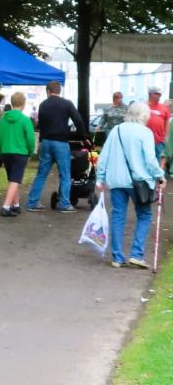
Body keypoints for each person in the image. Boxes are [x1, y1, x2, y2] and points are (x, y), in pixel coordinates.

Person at [96, 102, 165, 268]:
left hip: (116, 181)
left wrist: (100, 178)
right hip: (139, 182)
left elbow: (104, 155)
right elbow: (150, 159)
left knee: (118, 216)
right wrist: (160, 176)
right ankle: (136, 253)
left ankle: (117, 257)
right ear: (143, 116)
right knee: (144, 215)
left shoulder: (116, 130)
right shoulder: (145, 133)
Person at [27, 81, 85, 212]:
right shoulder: (67, 104)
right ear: (60, 91)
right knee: (65, 174)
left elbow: (40, 125)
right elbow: (79, 121)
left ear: (48, 91)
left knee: (41, 174)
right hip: (61, 142)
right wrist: (79, 135)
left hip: (46, 142)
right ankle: (64, 204)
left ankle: (33, 202)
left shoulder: (43, 105)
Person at [0, 92, 36, 217]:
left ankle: (16, 205)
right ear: (23, 104)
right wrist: (30, 151)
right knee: (15, 179)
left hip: (5, 151)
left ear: (12, 103)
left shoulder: (3, 119)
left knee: (12, 179)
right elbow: (30, 139)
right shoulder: (25, 120)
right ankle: (6, 207)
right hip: (20, 152)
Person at [145, 86, 169, 162]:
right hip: (145, 140)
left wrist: (165, 136)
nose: (159, 95)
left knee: (160, 160)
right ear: (150, 94)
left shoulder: (163, 107)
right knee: (147, 160)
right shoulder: (143, 106)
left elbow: (167, 122)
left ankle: (160, 173)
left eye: (160, 94)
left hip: (159, 141)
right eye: (157, 93)